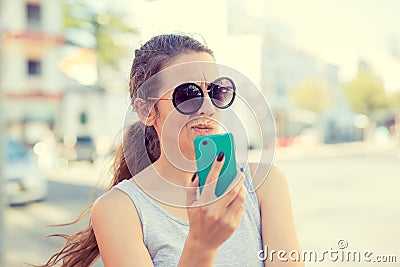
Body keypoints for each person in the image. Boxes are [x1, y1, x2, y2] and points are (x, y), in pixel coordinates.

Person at [39, 34, 304, 267]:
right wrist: (201, 244)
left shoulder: (264, 185)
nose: (208, 107)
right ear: (146, 110)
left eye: (217, 91)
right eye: (187, 94)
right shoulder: (120, 209)